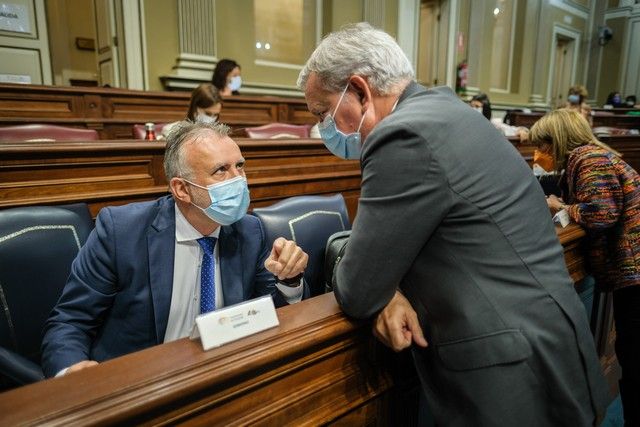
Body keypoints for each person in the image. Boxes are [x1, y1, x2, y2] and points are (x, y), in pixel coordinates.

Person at [298, 23, 608, 425]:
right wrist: (388, 289)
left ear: (359, 90)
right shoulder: (448, 110)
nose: (324, 128)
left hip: (508, 378)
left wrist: (381, 289)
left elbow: (359, 288)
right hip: (552, 343)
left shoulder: (401, 135)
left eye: (323, 113)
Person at [42, 121, 309, 378]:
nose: (238, 180)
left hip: (222, 373)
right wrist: (72, 372)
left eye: (240, 166)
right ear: (181, 189)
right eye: (221, 171)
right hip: (141, 383)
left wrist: (289, 279)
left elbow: (269, 313)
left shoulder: (250, 231)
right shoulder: (120, 232)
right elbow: (70, 321)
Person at [530, 109, 640, 426]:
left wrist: (561, 206)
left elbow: (602, 213)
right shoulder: (594, 155)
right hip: (631, 272)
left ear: (559, 140)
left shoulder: (586, 158)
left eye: (545, 146)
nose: (542, 153)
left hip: (634, 271)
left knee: (633, 354)